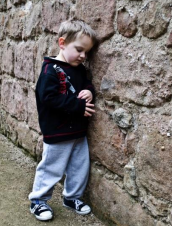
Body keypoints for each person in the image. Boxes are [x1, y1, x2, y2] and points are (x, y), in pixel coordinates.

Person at [28, 19, 98, 221]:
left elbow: (87, 83)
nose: (83, 56)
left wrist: (89, 92)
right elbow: (48, 98)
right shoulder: (50, 70)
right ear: (62, 43)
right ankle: (38, 201)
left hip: (78, 132)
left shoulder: (79, 69)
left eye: (87, 52)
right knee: (51, 167)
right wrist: (78, 106)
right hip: (57, 132)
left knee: (79, 167)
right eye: (79, 50)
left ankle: (72, 197)